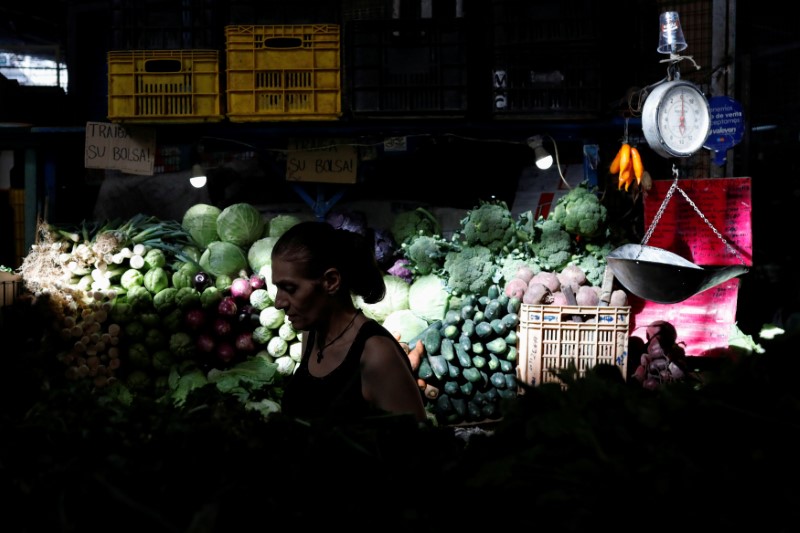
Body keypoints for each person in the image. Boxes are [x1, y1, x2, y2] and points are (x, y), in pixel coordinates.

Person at [270, 220, 428, 423]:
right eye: (277, 288)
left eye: (290, 289)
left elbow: (418, 445)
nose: (278, 302)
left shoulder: (377, 355)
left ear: (331, 281)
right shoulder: (312, 334)